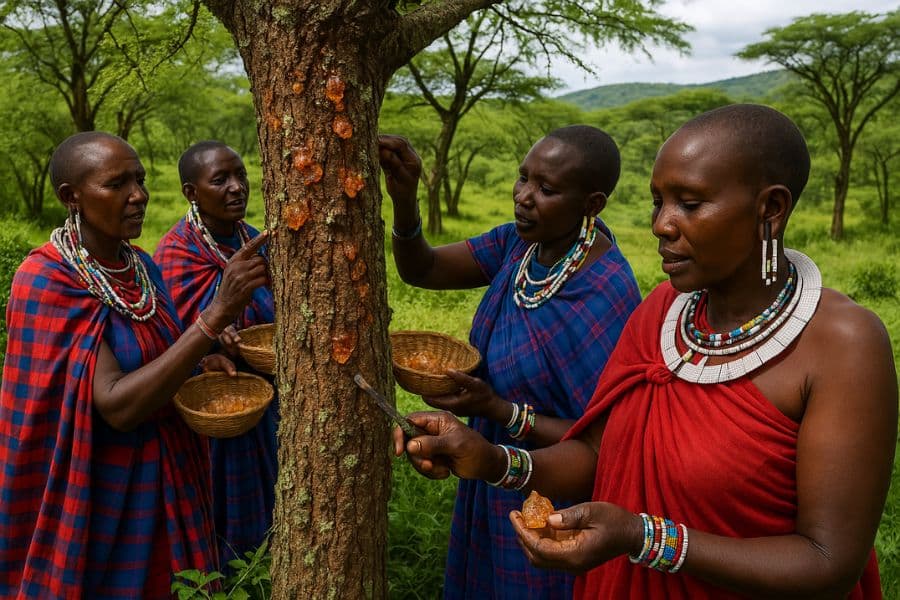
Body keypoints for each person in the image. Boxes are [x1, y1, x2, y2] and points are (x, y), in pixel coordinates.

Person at [394, 104, 898, 599]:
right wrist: (489, 460)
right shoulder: (663, 312)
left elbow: (828, 562)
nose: (661, 224)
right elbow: (596, 451)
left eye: (690, 204)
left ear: (770, 208)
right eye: (658, 201)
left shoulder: (843, 346)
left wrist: (642, 536)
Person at [0, 132, 269, 598]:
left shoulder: (141, 266)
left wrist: (198, 364)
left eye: (141, 180)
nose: (139, 195)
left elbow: (156, 355)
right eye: (117, 184)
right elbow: (117, 406)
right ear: (72, 198)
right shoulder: (45, 278)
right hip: (98, 491)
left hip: (170, 483)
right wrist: (215, 316)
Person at [378, 126, 642, 599]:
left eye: (546, 189)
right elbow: (422, 268)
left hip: (557, 495)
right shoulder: (520, 247)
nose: (523, 197)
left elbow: (607, 445)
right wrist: (404, 198)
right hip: (488, 471)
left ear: (592, 204)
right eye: (523, 179)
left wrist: (500, 411)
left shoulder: (606, 293)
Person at [153, 140, 277, 566]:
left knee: (273, 495)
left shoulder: (258, 242)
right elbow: (166, 338)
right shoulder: (175, 253)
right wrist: (206, 349)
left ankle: (267, 574)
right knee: (221, 509)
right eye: (219, 180)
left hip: (266, 398)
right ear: (191, 192)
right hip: (212, 407)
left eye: (240, 175)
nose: (236, 187)